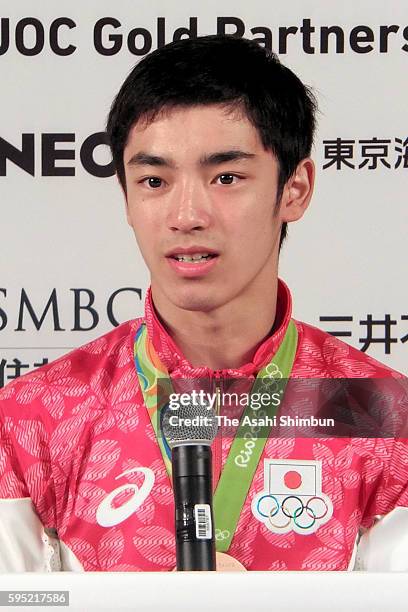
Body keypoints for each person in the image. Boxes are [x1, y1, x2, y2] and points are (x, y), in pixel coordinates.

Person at [0, 34, 407, 572]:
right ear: (126, 196)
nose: (187, 214)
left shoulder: (382, 414)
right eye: (154, 180)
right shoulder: (32, 417)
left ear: (295, 189)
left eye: (226, 177)